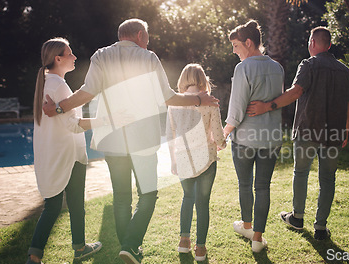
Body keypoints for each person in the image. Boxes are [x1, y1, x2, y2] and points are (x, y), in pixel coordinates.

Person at [42, 19, 219, 264]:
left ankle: (129, 247)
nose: (147, 43)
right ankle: (130, 244)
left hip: (112, 138)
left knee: (121, 196)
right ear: (139, 35)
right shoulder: (148, 58)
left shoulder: (101, 56)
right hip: (142, 139)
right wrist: (199, 100)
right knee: (148, 193)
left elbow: (87, 92)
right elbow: (168, 97)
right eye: (147, 38)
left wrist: (60, 108)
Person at [246, 26, 349, 240]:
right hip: (333, 134)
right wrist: (346, 130)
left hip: (308, 131)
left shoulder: (308, 64)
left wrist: (268, 106)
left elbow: (296, 92)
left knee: (301, 173)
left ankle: (297, 217)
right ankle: (321, 228)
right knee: (328, 179)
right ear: (329, 45)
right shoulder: (346, 71)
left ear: (313, 43)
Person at [27, 37, 101, 264]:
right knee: (75, 203)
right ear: (58, 58)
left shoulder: (47, 82)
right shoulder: (58, 85)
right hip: (69, 156)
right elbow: (73, 125)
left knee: (53, 205)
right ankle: (79, 248)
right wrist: (104, 121)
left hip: (56, 154)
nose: (75, 57)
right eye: (70, 54)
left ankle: (34, 256)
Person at [223, 20, 284, 253]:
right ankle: (257, 238)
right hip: (271, 139)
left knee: (245, 184)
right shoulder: (278, 68)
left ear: (248, 43)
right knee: (263, 188)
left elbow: (236, 110)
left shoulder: (243, 68)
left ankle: (247, 225)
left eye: (236, 46)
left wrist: (224, 133)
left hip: (245, 140)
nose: (234, 51)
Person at [166, 64, 226, 261]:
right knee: (202, 204)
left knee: (187, 198)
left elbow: (170, 134)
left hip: (183, 159)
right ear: (203, 80)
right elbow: (217, 133)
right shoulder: (210, 102)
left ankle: (184, 241)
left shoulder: (174, 103)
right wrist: (222, 144)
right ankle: (200, 249)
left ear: (183, 79)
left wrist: (173, 160)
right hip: (206, 159)